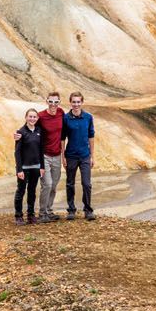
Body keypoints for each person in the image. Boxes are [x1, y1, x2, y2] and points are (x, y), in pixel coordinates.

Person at [61, 92, 95, 220]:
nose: (76, 104)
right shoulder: (66, 118)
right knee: (70, 183)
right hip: (71, 156)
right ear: (70, 103)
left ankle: (88, 210)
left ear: (82, 102)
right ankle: (71, 210)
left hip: (85, 155)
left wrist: (92, 156)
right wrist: (63, 157)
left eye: (78, 102)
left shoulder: (88, 117)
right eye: (74, 102)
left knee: (86, 184)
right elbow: (62, 139)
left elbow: (91, 137)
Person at [35, 92, 64, 221]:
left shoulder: (61, 113)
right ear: (46, 101)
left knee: (53, 185)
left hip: (57, 155)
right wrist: (19, 134)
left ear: (59, 102)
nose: (53, 104)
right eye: (51, 101)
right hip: (44, 155)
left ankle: (49, 211)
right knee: (47, 184)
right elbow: (30, 127)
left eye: (56, 102)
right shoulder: (41, 116)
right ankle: (42, 213)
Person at [14, 108, 44, 225]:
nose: (32, 119)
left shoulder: (39, 131)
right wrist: (19, 169)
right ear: (26, 117)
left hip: (36, 167)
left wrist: (42, 167)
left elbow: (41, 150)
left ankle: (31, 215)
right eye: (30, 116)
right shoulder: (20, 132)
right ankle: (18, 216)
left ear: (37, 119)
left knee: (32, 192)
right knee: (21, 191)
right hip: (24, 169)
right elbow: (17, 152)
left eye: (34, 117)